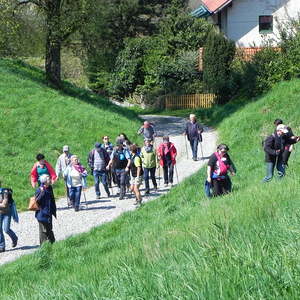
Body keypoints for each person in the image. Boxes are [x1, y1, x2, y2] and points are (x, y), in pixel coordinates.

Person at [35, 174, 56, 245]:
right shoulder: (39, 190)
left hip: (49, 213)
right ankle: (44, 247)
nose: (50, 180)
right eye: (48, 179)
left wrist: (54, 209)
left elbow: (52, 199)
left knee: (49, 229)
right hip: (42, 214)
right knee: (43, 232)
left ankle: (52, 244)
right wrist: (42, 192)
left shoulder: (49, 188)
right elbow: (37, 201)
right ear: (44, 181)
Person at [0, 187, 18, 252]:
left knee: (6, 229)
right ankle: (2, 246)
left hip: (7, 213)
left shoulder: (5, 192)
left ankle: (14, 238)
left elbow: (4, 205)